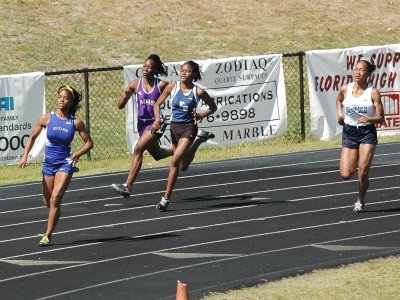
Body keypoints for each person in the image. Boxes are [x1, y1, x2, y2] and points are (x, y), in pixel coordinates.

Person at [18, 85, 93, 246]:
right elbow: (31, 137)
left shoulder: (75, 122)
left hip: (64, 164)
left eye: (66, 98)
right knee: (47, 201)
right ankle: (52, 214)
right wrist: (25, 156)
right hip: (49, 163)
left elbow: (89, 143)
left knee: (56, 198)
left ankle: (47, 235)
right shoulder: (46, 118)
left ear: (71, 102)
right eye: (60, 97)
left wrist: (77, 154)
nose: (62, 100)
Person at [151, 60, 218, 211]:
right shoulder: (172, 87)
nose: (183, 73)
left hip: (189, 128)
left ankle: (165, 198)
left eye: (187, 71)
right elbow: (157, 104)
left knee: (175, 160)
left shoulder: (198, 92)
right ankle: (200, 140)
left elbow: (213, 107)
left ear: (193, 74)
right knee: (183, 166)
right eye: (182, 70)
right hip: (174, 127)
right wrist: (156, 120)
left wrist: (201, 115)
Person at [110, 54, 174, 198]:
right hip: (142, 124)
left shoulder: (161, 84)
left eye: (149, 67)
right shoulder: (135, 84)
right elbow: (120, 106)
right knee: (158, 155)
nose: (145, 69)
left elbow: (173, 93)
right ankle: (179, 151)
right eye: (144, 66)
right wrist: (126, 95)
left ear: (155, 69)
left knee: (138, 148)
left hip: (156, 122)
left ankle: (127, 186)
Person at [336, 59, 384, 213]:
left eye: (361, 70)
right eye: (356, 69)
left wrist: (369, 118)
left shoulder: (373, 92)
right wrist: (340, 115)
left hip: (366, 133)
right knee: (345, 174)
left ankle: (360, 201)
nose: (357, 72)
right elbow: (339, 100)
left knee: (362, 171)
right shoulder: (345, 89)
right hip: (349, 132)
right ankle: (357, 158)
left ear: (368, 73)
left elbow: (381, 117)